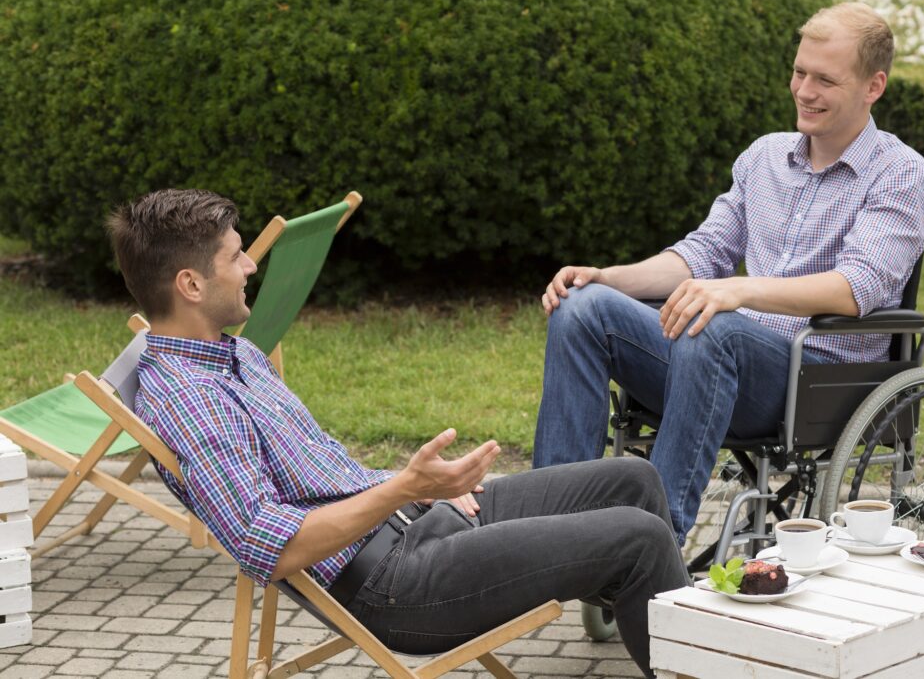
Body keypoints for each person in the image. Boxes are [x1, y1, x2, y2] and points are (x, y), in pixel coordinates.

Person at [105, 188, 686, 678]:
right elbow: (270, 547)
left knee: (633, 480)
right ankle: (695, 646)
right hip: (393, 586)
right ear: (191, 285)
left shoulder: (234, 356)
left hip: (411, 523)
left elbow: (320, 475)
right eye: (235, 257)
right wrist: (405, 488)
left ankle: (674, 626)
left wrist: (418, 485)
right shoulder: (189, 397)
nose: (251, 265)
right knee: (638, 539)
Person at [533, 2, 924, 545]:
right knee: (582, 309)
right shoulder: (764, 158)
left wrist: (738, 291)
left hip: (815, 377)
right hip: (719, 357)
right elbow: (703, 254)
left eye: (825, 80)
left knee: (715, 324)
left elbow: (855, 288)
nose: (804, 90)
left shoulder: (900, 175)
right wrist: (607, 277)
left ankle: (649, 547)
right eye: (800, 72)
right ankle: (549, 533)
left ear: (874, 86)